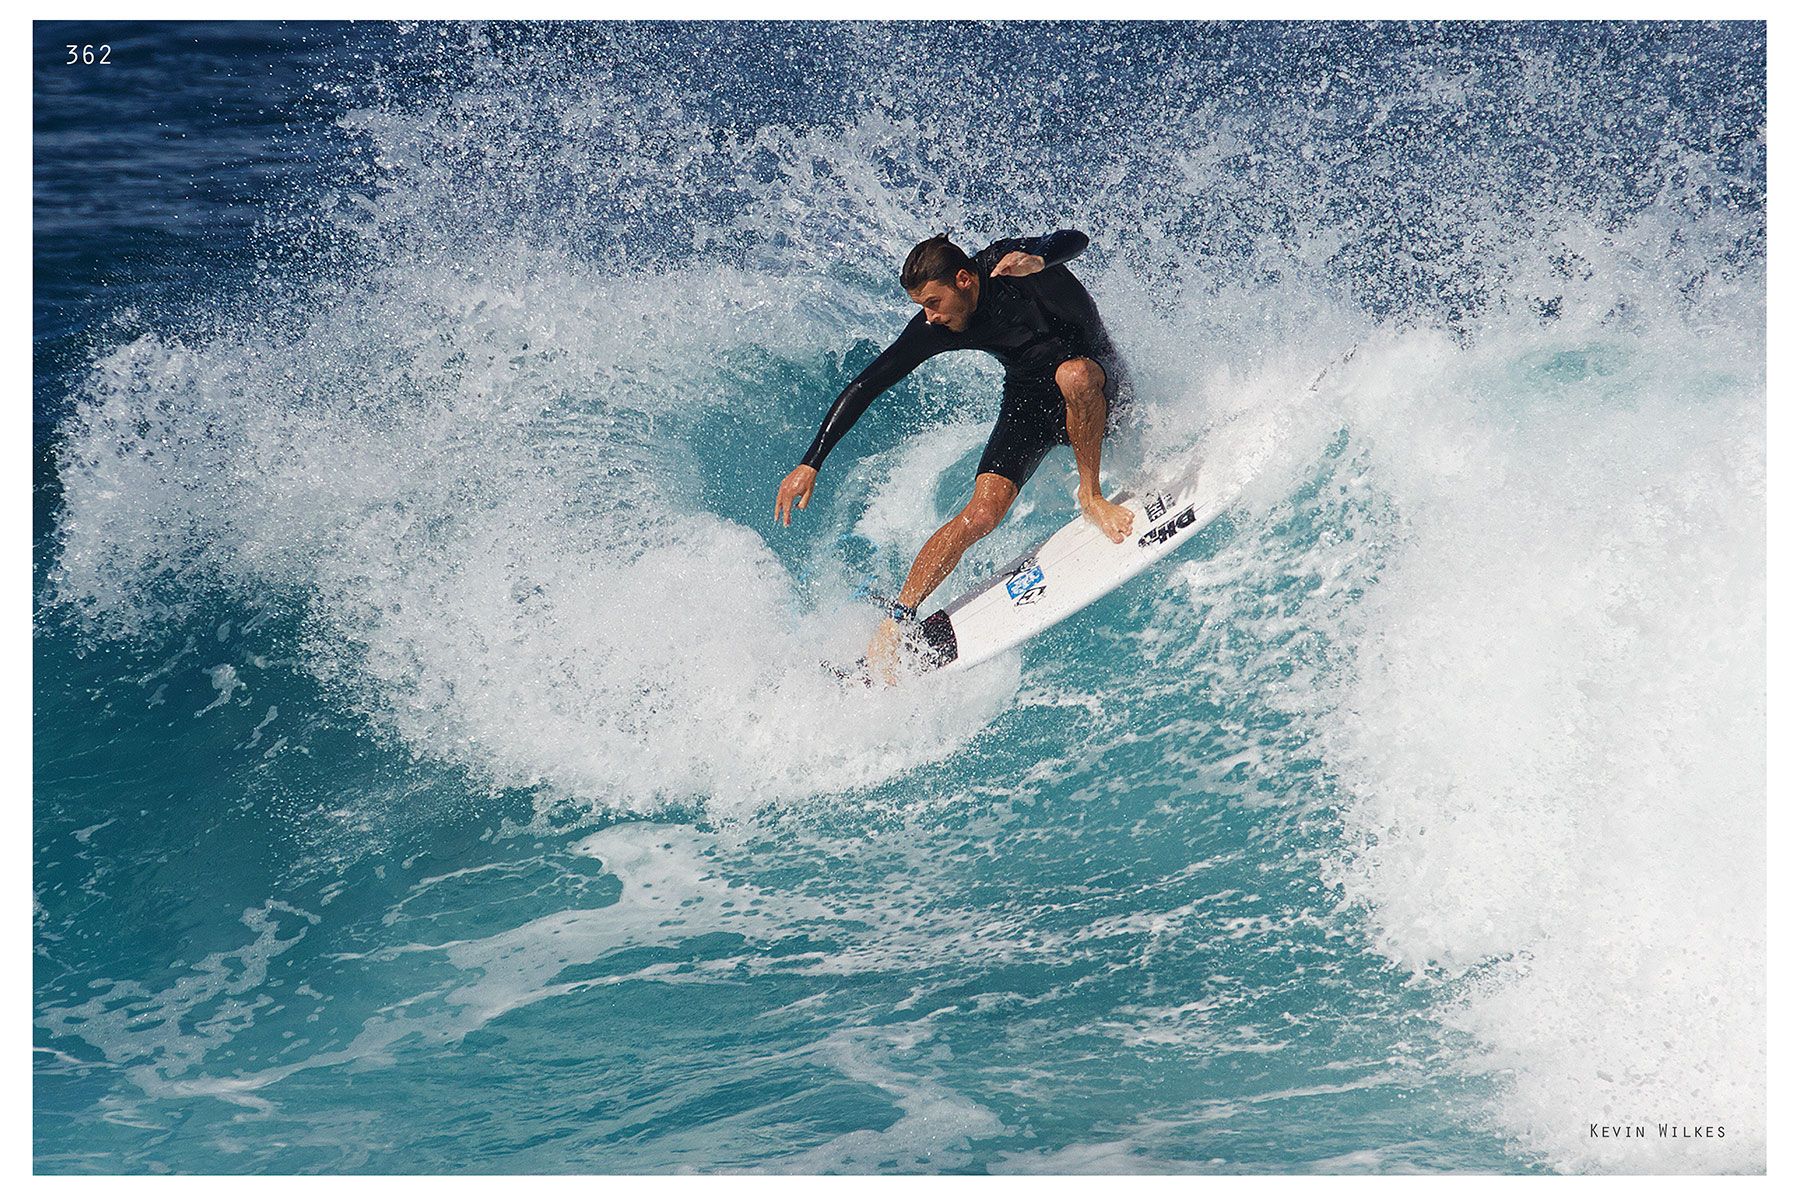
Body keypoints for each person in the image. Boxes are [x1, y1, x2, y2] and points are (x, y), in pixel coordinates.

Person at [774, 229, 1135, 682]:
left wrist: (1040, 260)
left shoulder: (1012, 267)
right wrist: (812, 461)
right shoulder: (937, 327)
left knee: (1074, 374)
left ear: (964, 279)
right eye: (922, 306)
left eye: (933, 301)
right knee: (980, 514)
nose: (929, 316)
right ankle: (898, 618)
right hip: (1028, 400)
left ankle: (1093, 496)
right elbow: (868, 384)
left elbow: (1075, 239)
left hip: (1100, 384)